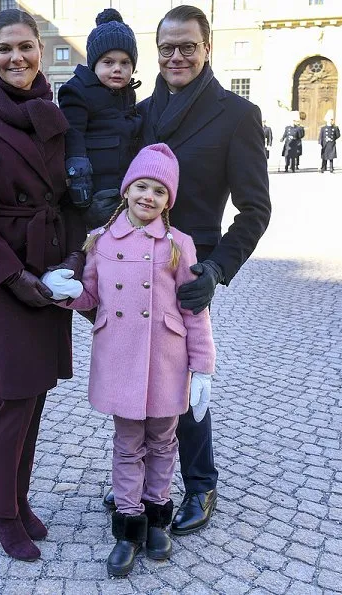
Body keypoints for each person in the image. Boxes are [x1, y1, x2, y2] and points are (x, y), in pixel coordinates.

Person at [103, 5, 271, 538]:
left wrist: (218, 267)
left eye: (188, 47)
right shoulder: (144, 110)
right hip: (133, 261)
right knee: (135, 371)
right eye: (167, 48)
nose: (176, 56)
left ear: (208, 47)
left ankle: (200, 483)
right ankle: (136, 484)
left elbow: (255, 209)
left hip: (188, 268)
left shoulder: (236, 114)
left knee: (182, 377)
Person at [0, 8, 86, 562]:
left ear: (41, 50)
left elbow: (68, 193)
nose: (17, 58)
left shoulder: (53, 114)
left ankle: (17, 500)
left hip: (49, 265)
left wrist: (73, 257)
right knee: (14, 396)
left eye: (25, 46)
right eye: (5, 48)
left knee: (37, 393)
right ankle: (2, 513)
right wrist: (13, 276)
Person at [44, 144, 216, 577]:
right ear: (126, 190)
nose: (148, 196)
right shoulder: (100, 240)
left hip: (166, 359)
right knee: (126, 445)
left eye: (159, 191)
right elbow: (91, 297)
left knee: (163, 443)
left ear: (168, 200)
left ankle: (157, 518)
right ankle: (127, 527)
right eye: (141, 186)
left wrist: (202, 368)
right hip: (120, 357)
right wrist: (64, 292)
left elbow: (194, 310)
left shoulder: (180, 244)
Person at [58, 8, 142, 231]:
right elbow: (73, 140)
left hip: (122, 186)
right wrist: (80, 191)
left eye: (125, 63)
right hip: (95, 190)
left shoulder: (127, 92)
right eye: (108, 62)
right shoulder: (77, 91)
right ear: (94, 63)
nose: (117, 69)